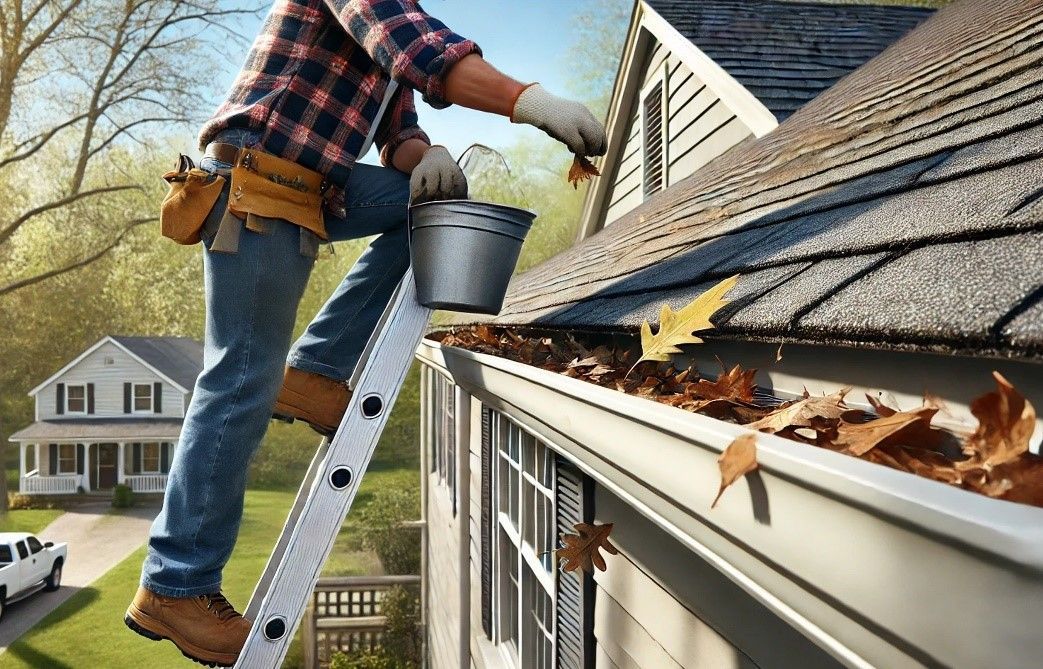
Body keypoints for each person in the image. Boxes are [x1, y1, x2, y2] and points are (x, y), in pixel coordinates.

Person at [123, 0, 606, 665]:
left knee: (430, 210)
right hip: (260, 189)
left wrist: (426, 155)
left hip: (315, 188)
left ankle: (316, 372)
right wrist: (528, 101)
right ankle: (175, 584)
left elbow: (397, 129)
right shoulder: (374, 9)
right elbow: (416, 49)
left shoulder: (381, 38)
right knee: (238, 379)